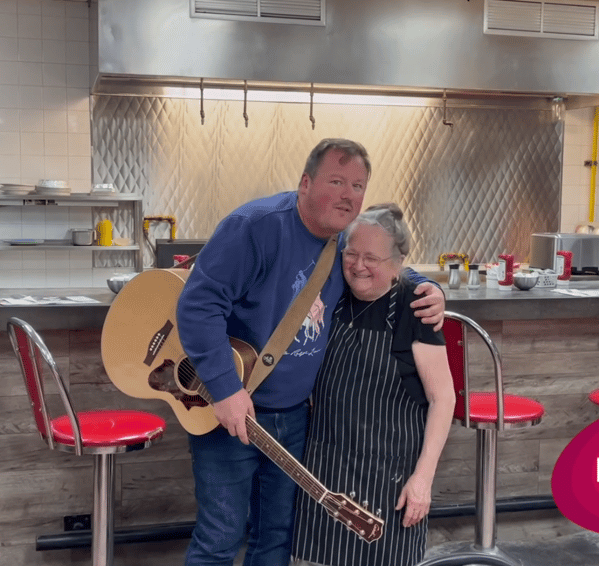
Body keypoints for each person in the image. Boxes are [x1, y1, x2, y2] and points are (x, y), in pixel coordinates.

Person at [176, 139, 446, 566]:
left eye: (358, 186)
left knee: (276, 538)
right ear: (304, 183)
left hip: (294, 418)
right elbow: (197, 305)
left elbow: (379, 261)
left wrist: (430, 288)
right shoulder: (257, 225)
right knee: (220, 537)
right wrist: (225, 389)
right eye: (336, 181)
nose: (348, 195)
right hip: (230, 411)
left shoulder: (341, 241)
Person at [292, 204, 454, 566]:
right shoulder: (332, 292)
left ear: (397, 263)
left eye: (371, 258)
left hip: (389, 477)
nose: (358, 265)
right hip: (326, 468)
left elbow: (443, 398)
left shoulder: (416, 307)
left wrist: (423, 479)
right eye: (351, 253)